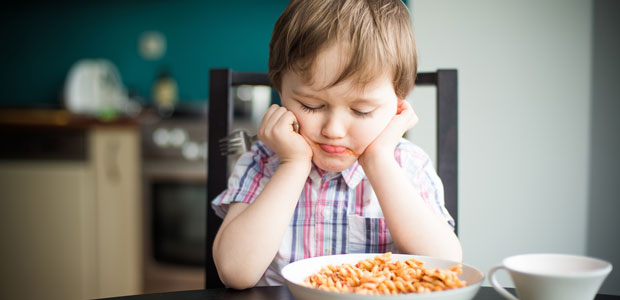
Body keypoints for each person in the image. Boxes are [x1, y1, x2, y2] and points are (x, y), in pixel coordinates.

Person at [211, 0, 462, 289]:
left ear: (399, 105)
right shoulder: (263, 162)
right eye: (311, 105)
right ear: (280, 90)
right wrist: (293, 165)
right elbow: (234, 272)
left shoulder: (409, 166)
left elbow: (447, 266)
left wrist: (379, 160)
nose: (333, 130)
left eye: (361, 111)